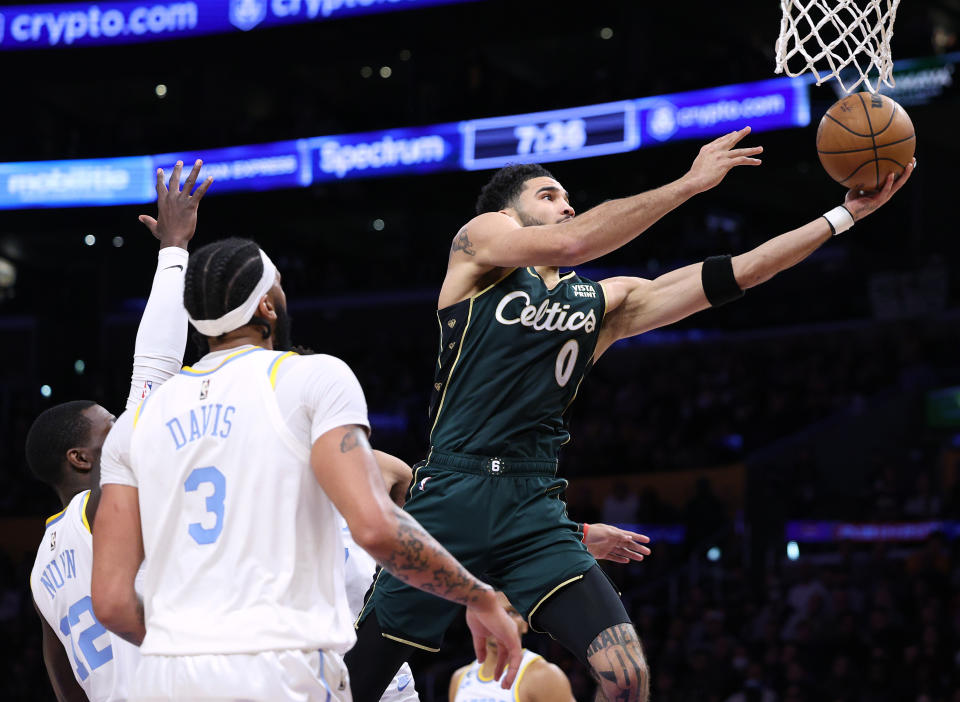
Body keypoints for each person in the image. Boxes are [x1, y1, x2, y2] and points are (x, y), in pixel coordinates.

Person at [347, 127, 916, 702]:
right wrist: (690, 184)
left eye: (568, 199)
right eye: (548, 196)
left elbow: (739, 272)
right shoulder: (480, 244)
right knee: (358, 681)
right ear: (509, 212)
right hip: (452, 489)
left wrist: (842, 216)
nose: (566, 205)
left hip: (533, 504)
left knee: (627, 678)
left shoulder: (606, 301)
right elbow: (571, 244)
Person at [90, 236, 523, 701]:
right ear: (267, 307)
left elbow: (112, 603)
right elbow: (376, 528)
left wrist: (186, 650)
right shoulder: (309, 378)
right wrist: (476, 595)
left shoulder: (138, 420)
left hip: (165, 677)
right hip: (281, 668)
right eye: (278, 283)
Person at [27, 160, 212, 701]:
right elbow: (154, 366)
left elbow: (66, 690)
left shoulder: (42, 568)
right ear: (81, 459)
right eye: (111, 427)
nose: (128, 427)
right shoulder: (106, 503)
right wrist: (175, 248)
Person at [350, 453, 651, 702]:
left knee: (627, 676)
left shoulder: (371, 465)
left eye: (512, 612)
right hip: (322, 659)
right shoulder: (461, 678)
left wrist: (573, 534)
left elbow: (448, 523)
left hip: (384, 678)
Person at [449, 593, 576, 702]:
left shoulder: (543, 676)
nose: (502, 620)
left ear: (525, 624)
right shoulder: (459, 678)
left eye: (511, 612)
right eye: (492, 611)